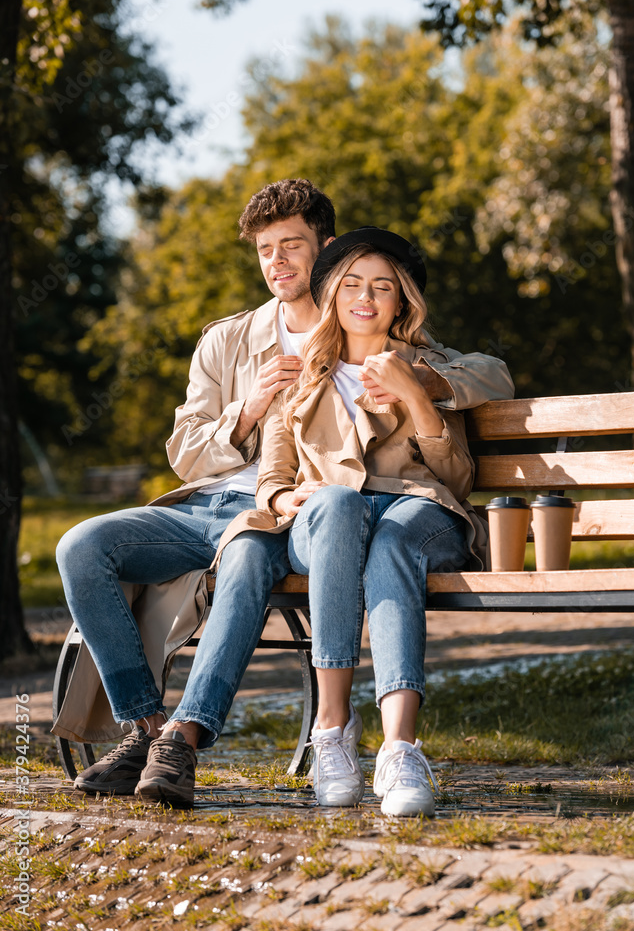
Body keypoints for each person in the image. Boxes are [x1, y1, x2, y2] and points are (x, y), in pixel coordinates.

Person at [54, 181, 513, 809]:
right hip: (223, 506)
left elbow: (485, 375)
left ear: (326, 252)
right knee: (82, 546)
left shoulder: (378, 330)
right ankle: (147, 733)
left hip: (300, 517)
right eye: (266, 250)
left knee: (255, 549)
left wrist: (417, 385)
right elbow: (184, 451)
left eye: (292, 246)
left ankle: (196, 739)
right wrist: (251, 408)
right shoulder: (229, 341)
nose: (278, 262)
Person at [217, 228, 492, 817]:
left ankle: (400, 749)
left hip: (419, 511)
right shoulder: (301, 373)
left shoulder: (424, 366)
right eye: (353, 285)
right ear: (333, 295)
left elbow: (457, 479)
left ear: (401, 302)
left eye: (383, 287)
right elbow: (273, 471)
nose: (366, 298)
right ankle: (332, 730)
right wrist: (285, 501)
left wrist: (416, 396)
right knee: (338, 503)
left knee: (393, 542)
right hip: (327, 521)